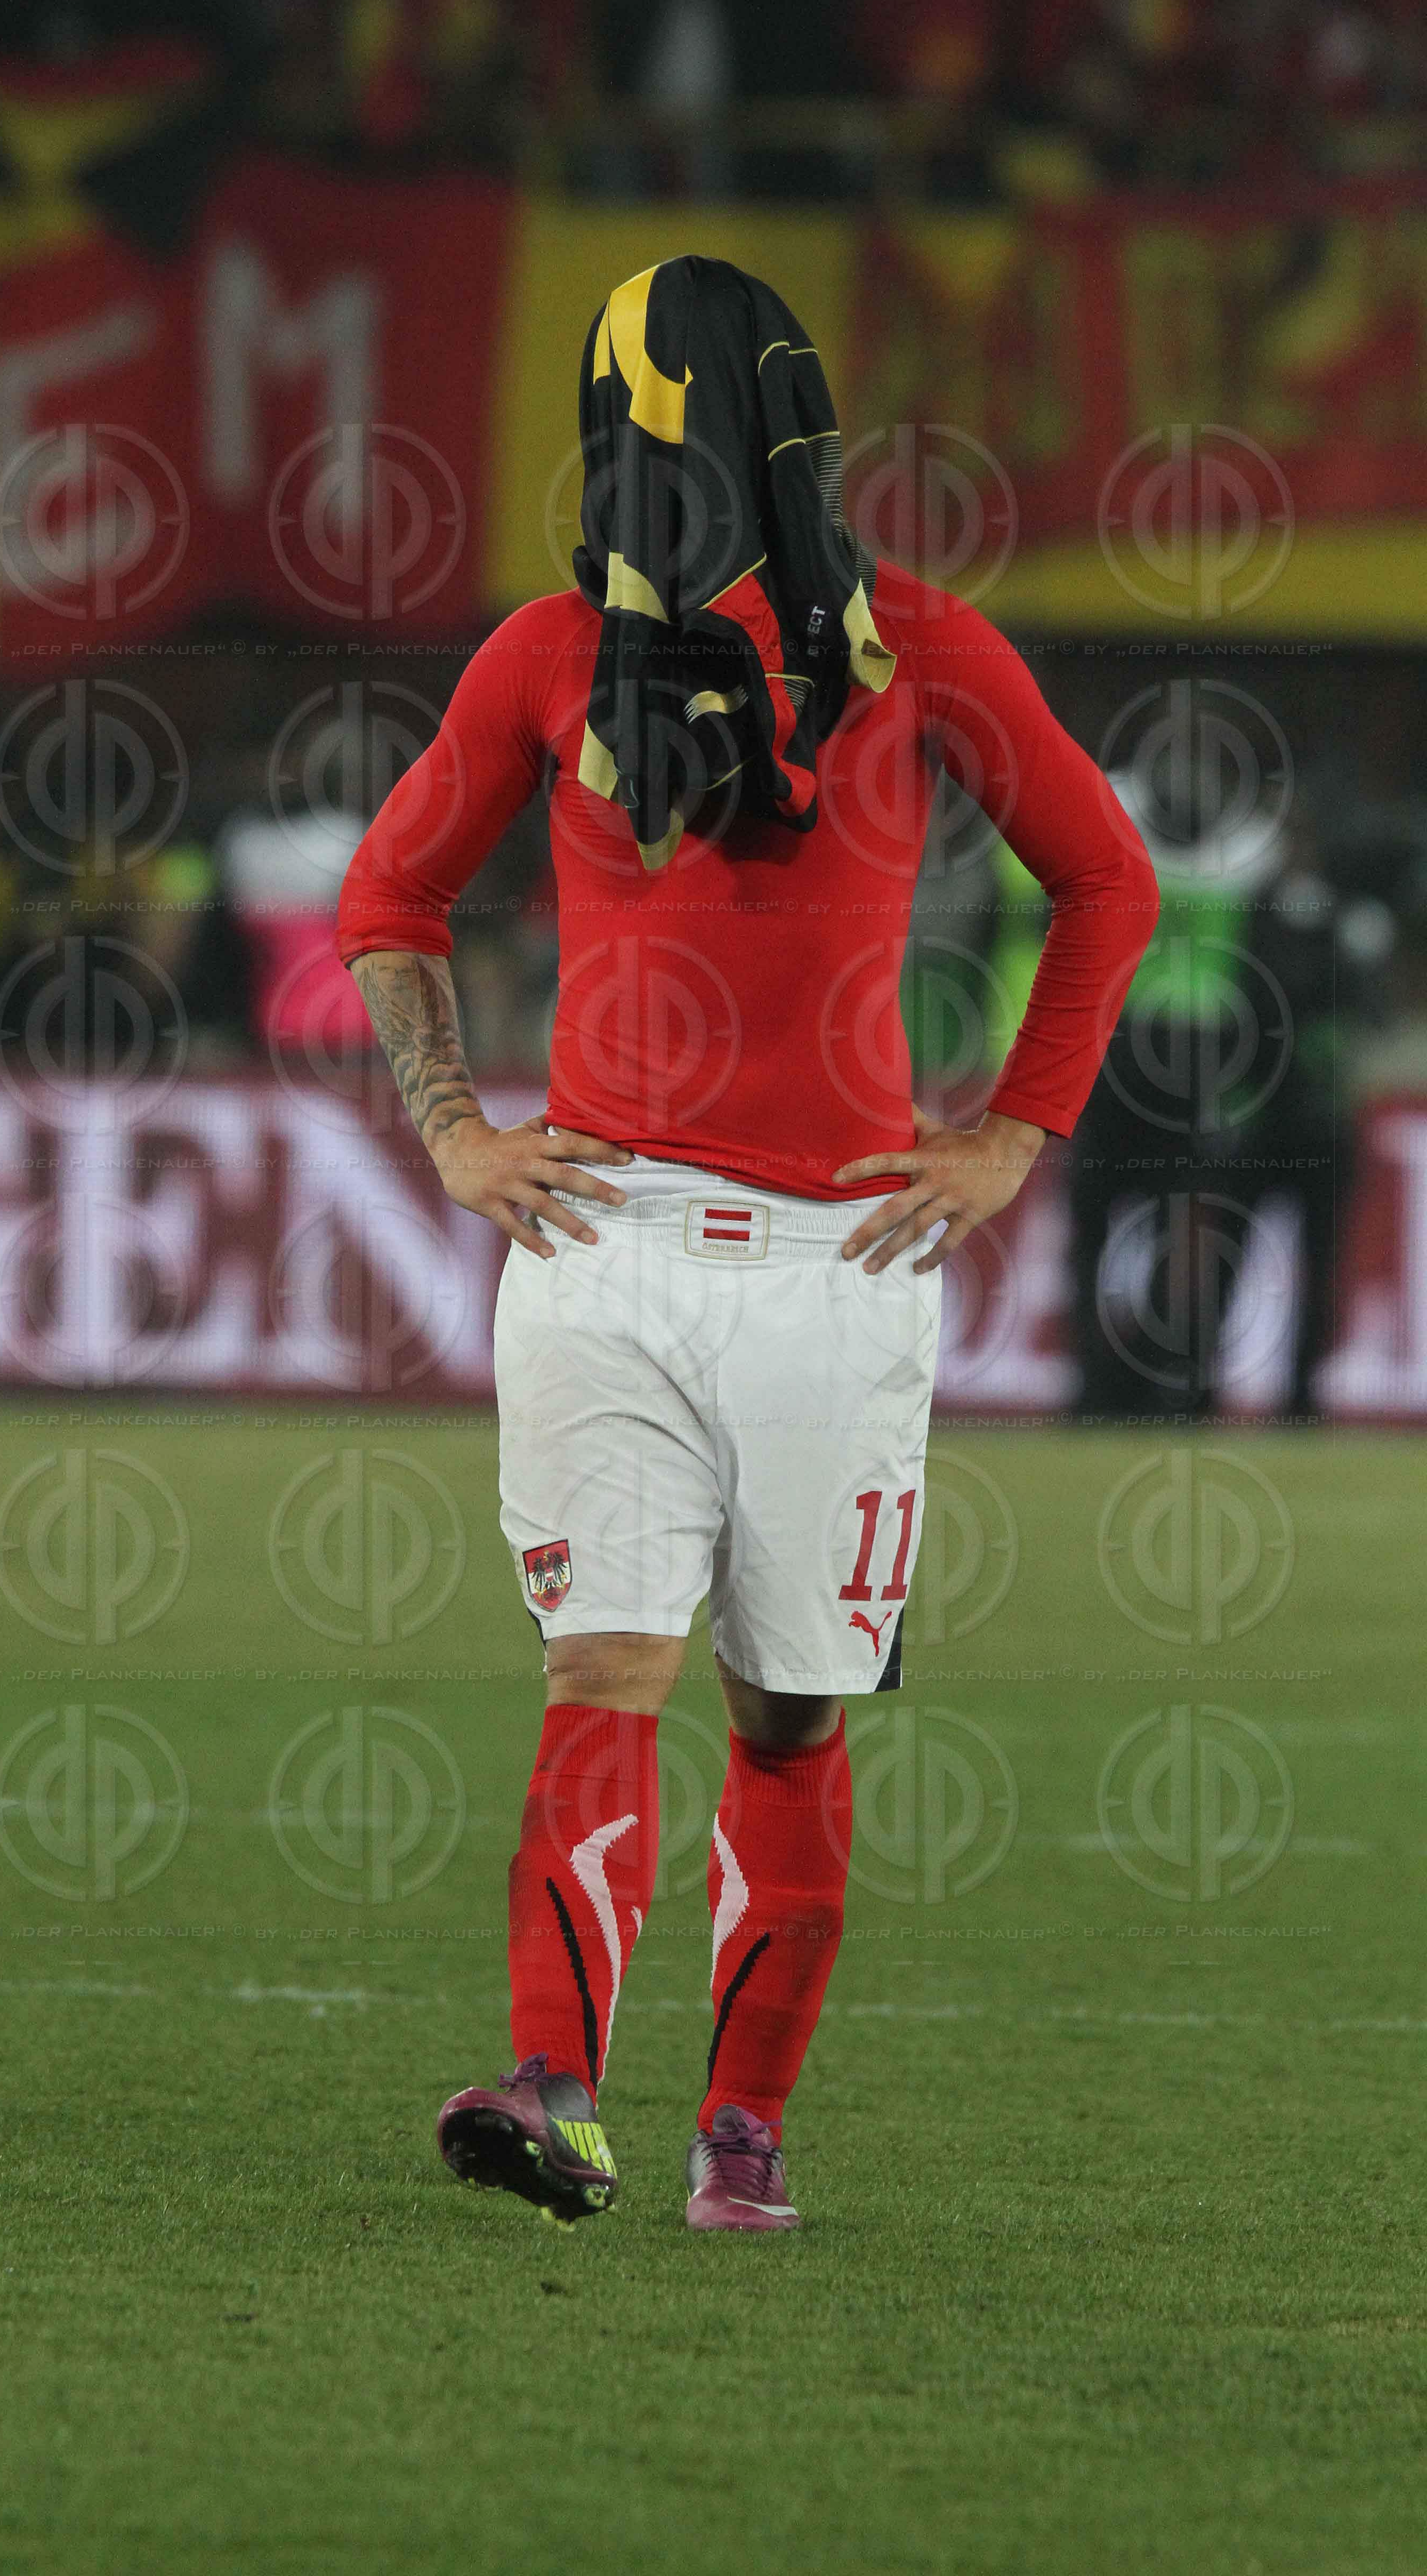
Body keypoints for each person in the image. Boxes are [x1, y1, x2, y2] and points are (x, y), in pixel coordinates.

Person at [336, 256, 1157, 2234]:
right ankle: (555, 2087)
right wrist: (457, 1134)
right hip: (602, 1241)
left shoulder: (923, 653)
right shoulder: (547, 656)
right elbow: (389, 892)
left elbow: (1106, 879)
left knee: (788, 1711)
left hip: (835, 1266)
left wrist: (1014, 1139)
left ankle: (745, 2127)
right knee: (602, 1667)